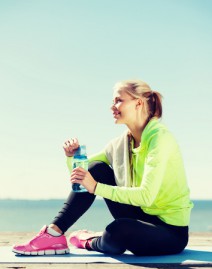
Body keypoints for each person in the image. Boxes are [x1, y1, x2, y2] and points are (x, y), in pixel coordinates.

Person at [13, 79, 193, 256]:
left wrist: (97, 187)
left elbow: (146, 196)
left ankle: (88, 241)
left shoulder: (159, 139)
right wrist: (72, 157)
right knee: (96, 168)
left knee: (118, 230)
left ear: (138, 103)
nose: (112, 106)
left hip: (170, 232)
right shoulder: (120, 144)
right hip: (139, 215)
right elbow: (83, 175)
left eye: (119, 100)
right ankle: (54, 234)